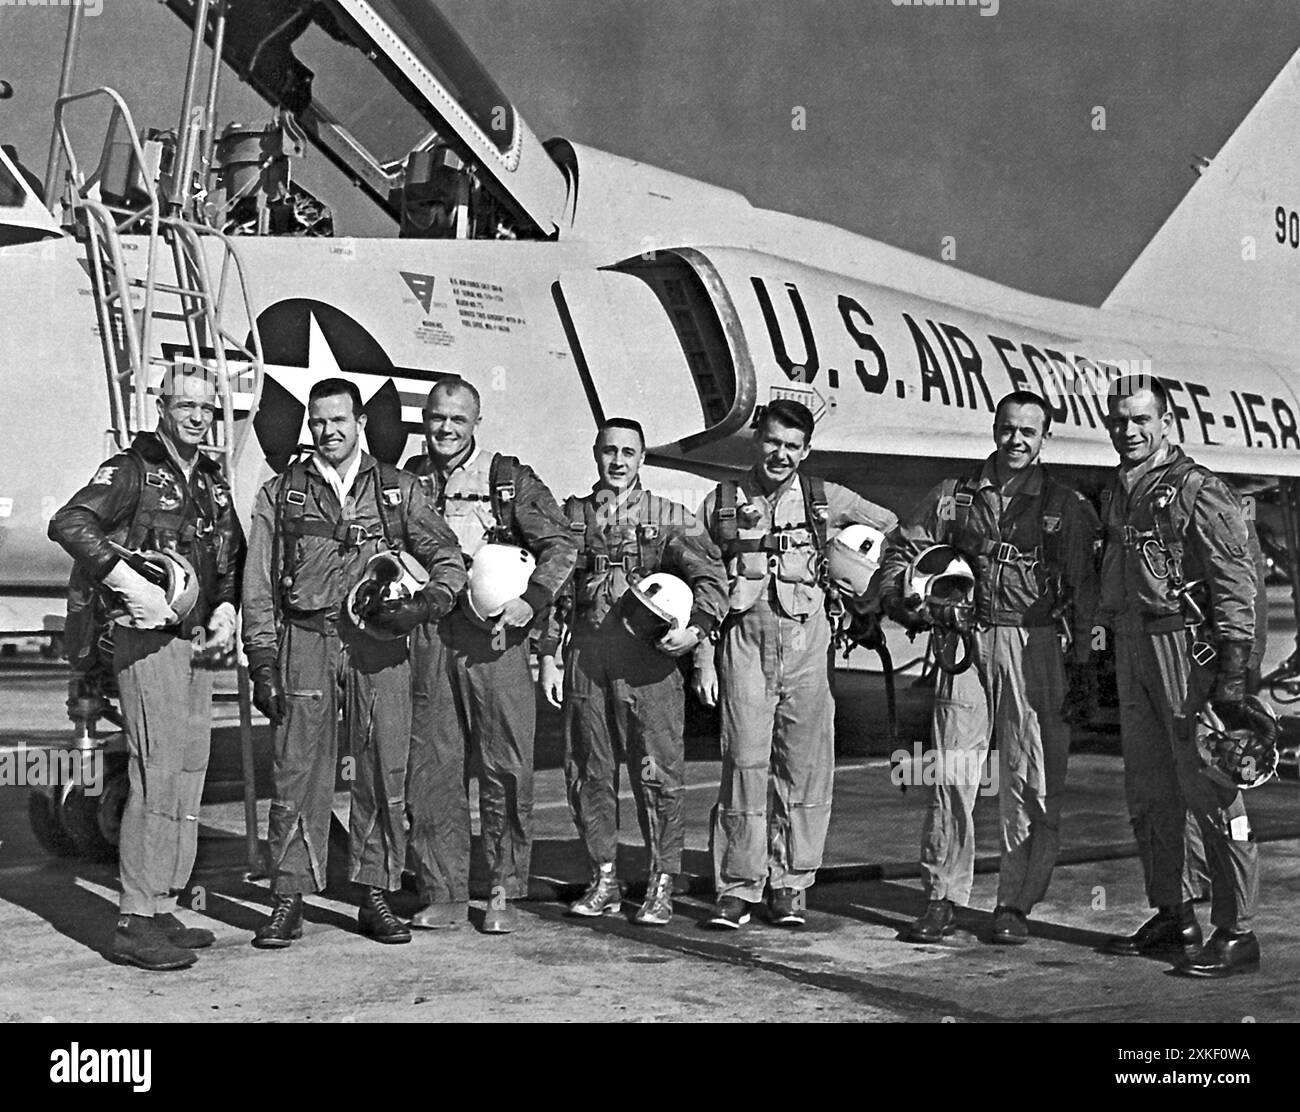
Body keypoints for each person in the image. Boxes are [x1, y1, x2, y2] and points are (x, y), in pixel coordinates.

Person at [242, 377, 465, 948]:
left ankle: (375, 895)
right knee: (296, 772)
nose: (328, 431)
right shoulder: (282, 492)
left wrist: (426, 604)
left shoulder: (398, 489)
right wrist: (262, 657)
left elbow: (447, 558)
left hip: (379, 646)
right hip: (307, 641)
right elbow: (259, 585)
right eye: (318, 421)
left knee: (384, 769)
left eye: (339, 420)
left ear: (360, 422)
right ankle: (289, 898)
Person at [880, 391, 1101, 945]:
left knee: (1030, 778)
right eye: (1008, 428)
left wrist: (1081, 672)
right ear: (994, 429)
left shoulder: (1066, 507)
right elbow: (900, 553)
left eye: (1029, 431)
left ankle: (1015, 903)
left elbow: (1087, 592)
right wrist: (907, 600)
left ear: (1045, 437)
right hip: (965, 640)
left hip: (1036, 644)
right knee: (952, 771)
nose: (1016, 440)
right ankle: (941, 895)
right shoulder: (955, 499)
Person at [49, 365, 244, 971]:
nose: (195, 416)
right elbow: (69, 524)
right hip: (144, 640)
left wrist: (227, 611)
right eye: (184, 404)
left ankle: (160, 902)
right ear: (161, 406)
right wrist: (127, 579)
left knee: (187, 773)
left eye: (205, 408)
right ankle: (133, 918)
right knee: (155, 772)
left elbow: (229, 556)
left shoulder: (211, 481)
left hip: (194, 641)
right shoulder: (131, 470)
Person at [694, 399, 897, 929]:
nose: (780, 454)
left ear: (805, 451)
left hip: (809, 644)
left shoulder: (824, 498)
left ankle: (791, 884)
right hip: (744, 643)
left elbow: (893, 530)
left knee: (804, 770)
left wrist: (864, 592)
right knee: (743, 764)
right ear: (755, 440)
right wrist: (702, 659)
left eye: (792, 446)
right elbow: (701, 580)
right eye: (772, 442)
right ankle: (738, 886)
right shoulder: (720, 503)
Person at [1098, 375, 1264, 977]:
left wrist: (1235, 674)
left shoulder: (1199, 489)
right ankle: (1175, 913)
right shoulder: (1122, 489)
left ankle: (1238, 929)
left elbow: (1235, 581)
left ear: (1167, 423)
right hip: (1134, 645)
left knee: (1213, 789)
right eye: (1119, 421)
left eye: (1142, 420)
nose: (1130, 432)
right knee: (1150, 793)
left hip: (1186, 650)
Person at [538, 418, 729, 926]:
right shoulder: (570, 517)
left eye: (628, 452)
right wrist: (549, 656)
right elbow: (553, 590)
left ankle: (662, 881)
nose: (618, 461)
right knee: (588, 771)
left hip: (647, 664)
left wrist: (698, 631)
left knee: (658, 774)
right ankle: (605, 877)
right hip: (587, 659)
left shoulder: (669, 517)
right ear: (595, 454)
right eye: (609, 451)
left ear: (642, 458)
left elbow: (711, 576)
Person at [404, 379, 577, 934]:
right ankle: (446, 890)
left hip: (496, 639)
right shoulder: (408, 479)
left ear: (475, 421)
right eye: (436, 417)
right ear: (424, 419)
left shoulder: (509, 481)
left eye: (457, 419)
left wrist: (534, 601)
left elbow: (562, 545)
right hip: (432, 635)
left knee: (504, 766)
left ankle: (503, 886)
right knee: (433, 767)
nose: (445, 429)